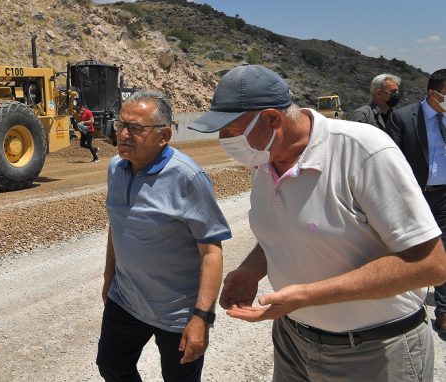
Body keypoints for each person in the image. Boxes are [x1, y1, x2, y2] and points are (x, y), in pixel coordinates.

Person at [188, 64, 446, 382]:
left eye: (229, 129)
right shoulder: (264, 159)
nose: (223, 139)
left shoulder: (363, 152)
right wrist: (252, 270)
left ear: (271, 119)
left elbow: (430, 265)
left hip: (374, 352)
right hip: (293, 342)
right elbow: (288, 227)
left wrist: (308, 295)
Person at [97, 89, 231, 381]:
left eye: (136, 128)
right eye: (121, 125)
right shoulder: (115, 169)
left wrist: (201, 317)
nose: (123, 135)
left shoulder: (188, 177)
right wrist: (109, 278)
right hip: (126, 300)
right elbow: (117, 224)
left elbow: (211, 251)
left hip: (177, 315)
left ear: (164, 136)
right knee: (111, 366)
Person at [388, 68, 446, 336]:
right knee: (408, 249)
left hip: (444, 195)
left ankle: (444, 311)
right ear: (432, 93)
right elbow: (391, 161)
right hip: (414, 196)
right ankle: (400, 304)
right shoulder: (403, 118)